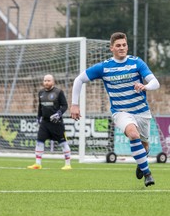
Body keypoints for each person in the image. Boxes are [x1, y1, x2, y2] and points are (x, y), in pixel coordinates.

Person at [70, 32, 160, 187]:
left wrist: (145, 86)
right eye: (118, 45)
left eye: (124, 45)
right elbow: (79, 80)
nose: (122, 48)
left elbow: (155, 82)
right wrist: (74, 104)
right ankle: (148, 174)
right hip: (121, 112)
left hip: (142, 111)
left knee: (144, 146)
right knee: (133, 134)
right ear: (112, 48)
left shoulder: (136, 63)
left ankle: (142, 162)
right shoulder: (104, 67)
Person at [27, 74, 72, 170]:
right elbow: (40, 106)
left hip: (56, 123)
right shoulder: (41, 92)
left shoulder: (59, 92)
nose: (46, 82)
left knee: (63, 143)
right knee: (39, 141)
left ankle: (68, 164)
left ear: (53, 82)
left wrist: (58, 114)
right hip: (45, 123)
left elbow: (64, 106)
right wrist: (38, 117)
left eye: (48, 80)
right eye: (45, 80)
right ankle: (38, 164)